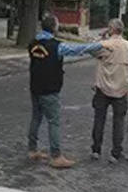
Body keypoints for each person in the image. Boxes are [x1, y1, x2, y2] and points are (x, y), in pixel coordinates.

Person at [27, 14, 105, 168]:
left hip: (35, 87)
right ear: (55, 27)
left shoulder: (33, 43)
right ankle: (56, 156)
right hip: (50, 90)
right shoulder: (57, 46)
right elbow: (78, 49)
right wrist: (100, 45)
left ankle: (32, 149)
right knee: (53, 122)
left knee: (36, 118)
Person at [91, 18, 128, 163]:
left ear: (110, 29)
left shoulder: (103, 45)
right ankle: (116, 153)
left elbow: (90, 49)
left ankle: (96, 150)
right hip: (121, 90)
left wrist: (101, 36)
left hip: (102, 88)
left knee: (99, 120)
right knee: (119, 122)